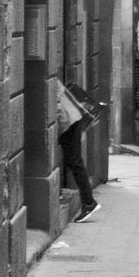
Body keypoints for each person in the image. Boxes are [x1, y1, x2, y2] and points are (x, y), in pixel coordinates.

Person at [56, 77, 99, 219]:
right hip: (72, 119)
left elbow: (56, 104)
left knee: (74, 162)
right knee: (73, 161)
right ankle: (88, 202)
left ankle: (89, 203)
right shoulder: (52, 79)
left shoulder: (48, 80)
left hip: (68, 121)